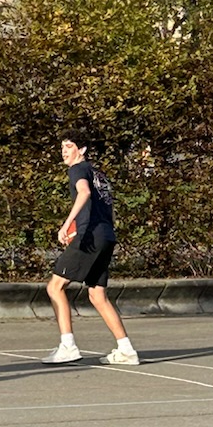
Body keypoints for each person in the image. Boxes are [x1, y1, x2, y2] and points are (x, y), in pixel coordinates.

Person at [46, 137, 139, 366]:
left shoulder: (78, 170)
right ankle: (126, 349)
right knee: (97, 295)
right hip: (107, 236)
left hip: (90, 236)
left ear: (82, 149)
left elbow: (84, 193)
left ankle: (67, 346)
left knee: (55, 286)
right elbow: (107, 207)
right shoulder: (101, 176)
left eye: (69, 147)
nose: (64, 152)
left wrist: (67, 225)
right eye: (62, 148)